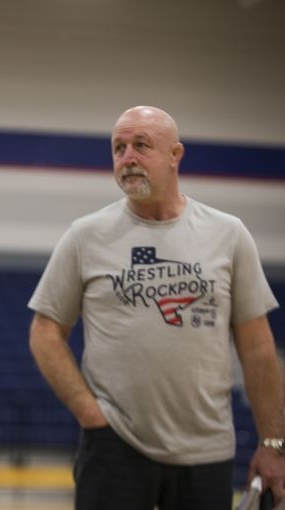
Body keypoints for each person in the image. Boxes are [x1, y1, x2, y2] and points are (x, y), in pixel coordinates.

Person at [28, 105, 285, 509]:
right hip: (114, 448)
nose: (127, 157)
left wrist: (273, 442)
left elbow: (258, 348)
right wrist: (89, 414)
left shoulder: (228, 234)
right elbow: (45, 333)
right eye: (118, 148)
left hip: (207, 451)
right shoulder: (86, 235)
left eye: (141, 145)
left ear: (175, 155)